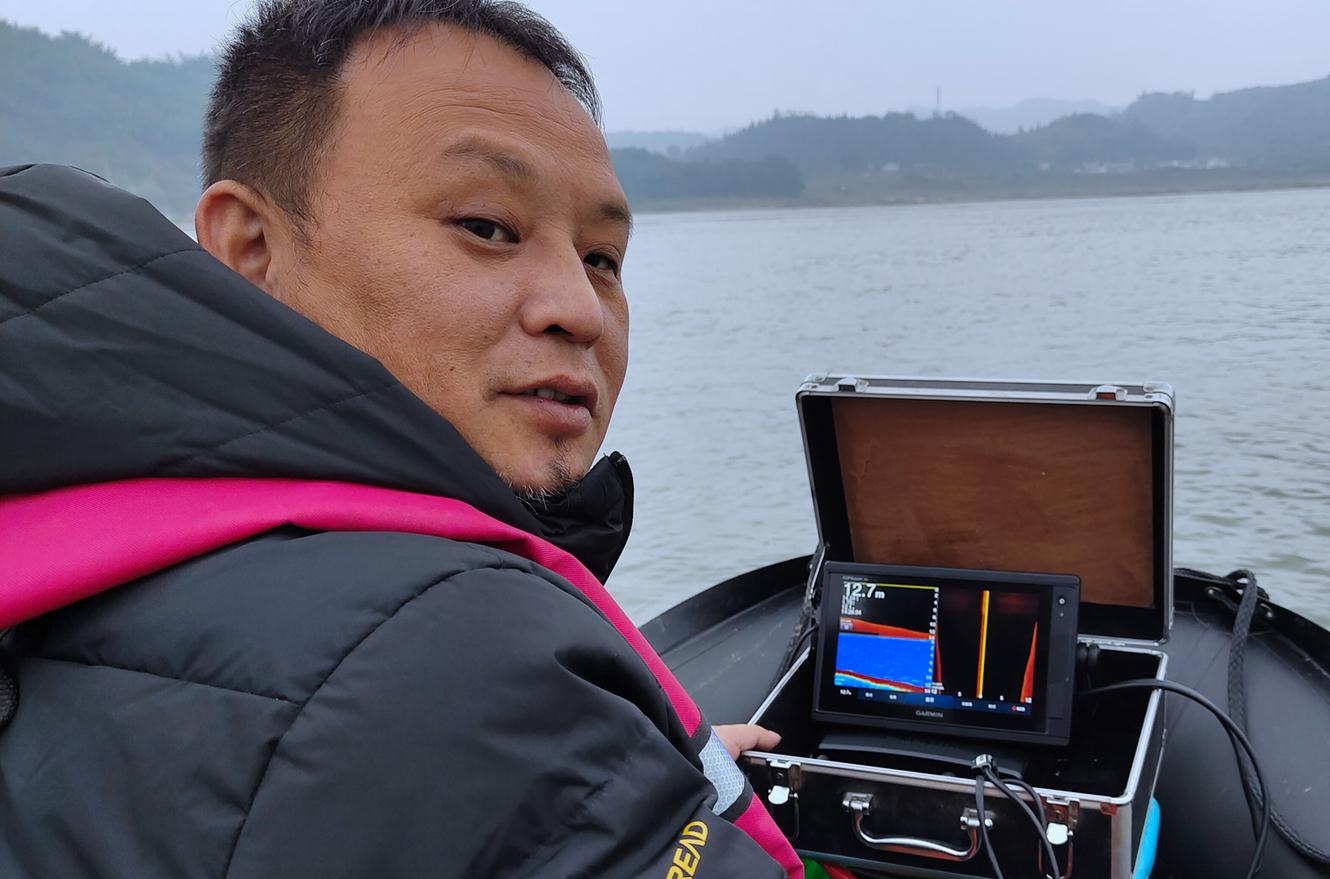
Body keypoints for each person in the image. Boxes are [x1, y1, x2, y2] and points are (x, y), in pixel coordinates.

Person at [0, 2, 801, 877]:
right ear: (252, 250)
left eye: (602, 259)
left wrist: (629, 772)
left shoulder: (70, 521)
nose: (579, 309)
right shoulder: (475, 663)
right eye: (486, 228)